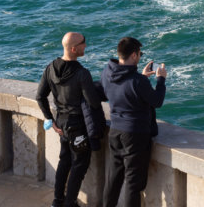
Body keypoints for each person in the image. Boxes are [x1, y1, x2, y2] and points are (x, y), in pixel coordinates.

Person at [36, 32, 104, 207]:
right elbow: (94, 102)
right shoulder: (82, 73)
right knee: (79, 166)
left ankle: (57, 201)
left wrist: (50, 119)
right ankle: (70, 203)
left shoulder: (50, 68)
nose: (86, 46)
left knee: (64, 161)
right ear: (74, 48)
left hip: (62, 124)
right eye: (83, 43)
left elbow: (40, 97)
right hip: (78, 126)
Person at [100, 37, 167, 207]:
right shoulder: (138, 81)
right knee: (133, 183)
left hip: (115, 131)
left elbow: (122, 89)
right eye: (140, 54)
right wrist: (161, 80)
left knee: (114, 177)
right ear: (134, 55)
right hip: (135, 136)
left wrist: (141, 77)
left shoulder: (107, 73)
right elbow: (157, 101)